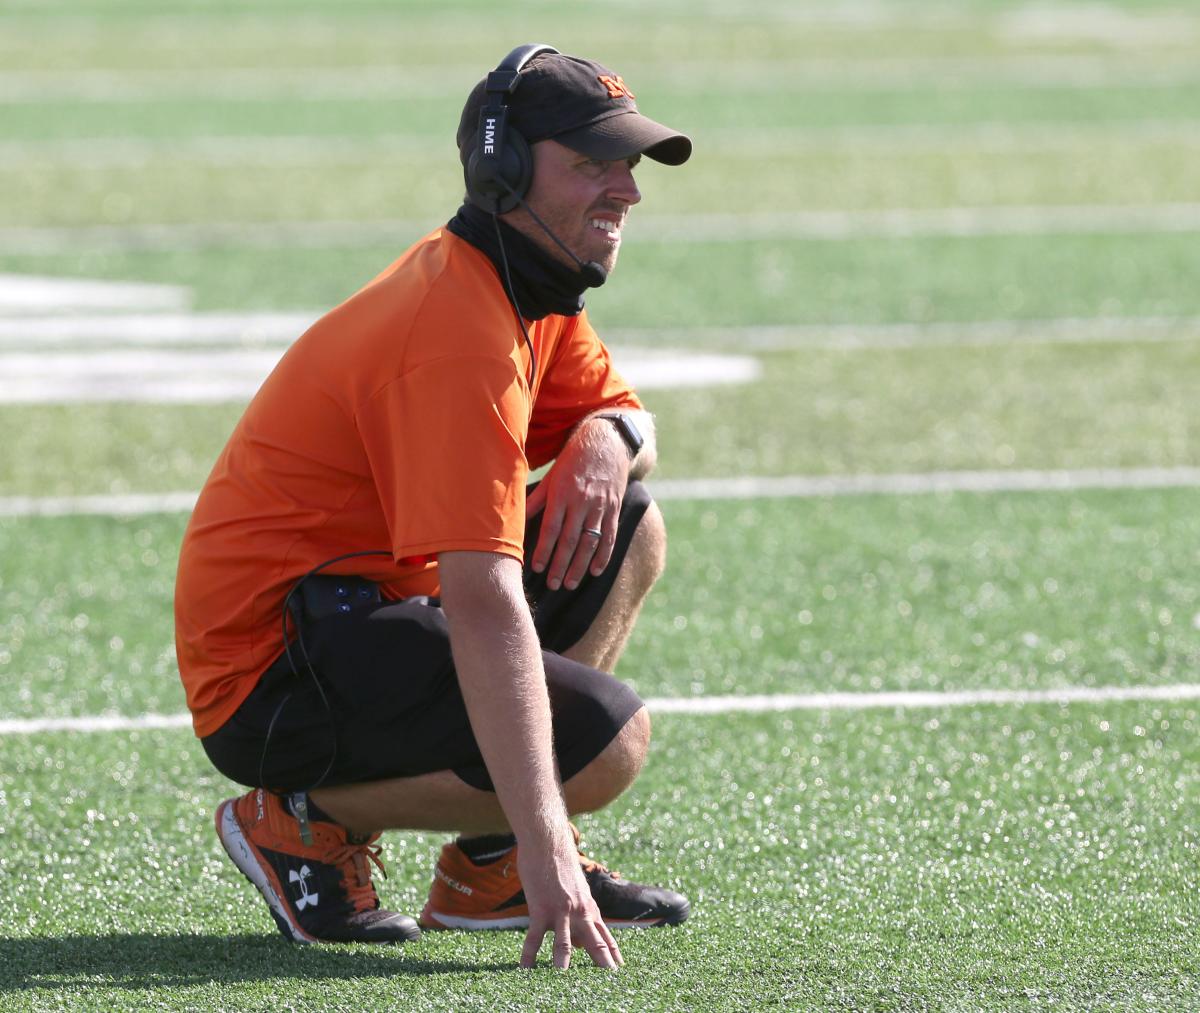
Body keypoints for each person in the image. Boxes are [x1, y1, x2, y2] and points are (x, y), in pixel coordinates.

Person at [174, 44, 692, 971]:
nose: (627, 191)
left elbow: (633, 422)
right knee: (607, 747)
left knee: (631, 521)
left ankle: (481, 866)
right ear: (502, 171)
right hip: (271, 670)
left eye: (628, 164)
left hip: (362, 613)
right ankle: (299, 820)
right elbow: (484, 596)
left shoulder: (525, 285)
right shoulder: (460, 334)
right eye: (592, 165)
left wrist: (607, 441)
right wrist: (549, 835)